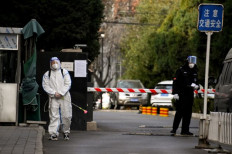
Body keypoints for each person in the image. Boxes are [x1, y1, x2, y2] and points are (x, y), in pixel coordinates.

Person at [42, 57, 72, 141]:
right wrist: (54, 93)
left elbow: (68, 83)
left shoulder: (64, 72)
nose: (54, 64)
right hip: (53, 97)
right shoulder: (47, 74)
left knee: (66, 115)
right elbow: (45, 86)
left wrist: (61, 92)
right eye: (52, 62)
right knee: (54, 116)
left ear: (59, 62)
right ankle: (54, 134)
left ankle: (66, 131)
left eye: (56, 62)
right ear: (50, 64)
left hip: (64, 96)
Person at [170, 56, 199, 135]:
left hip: (190, 94)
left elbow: (197, 82)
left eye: (193, 62)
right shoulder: (181, 70)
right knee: (179, 112)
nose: (192, 63)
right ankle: (174, 129)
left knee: (188, 113)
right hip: (181, 94)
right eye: (191, 62)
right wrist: (175, 93)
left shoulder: (195, 71)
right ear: (187, 61)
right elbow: (175, 82)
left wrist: (197, 87)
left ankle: (185, 130)